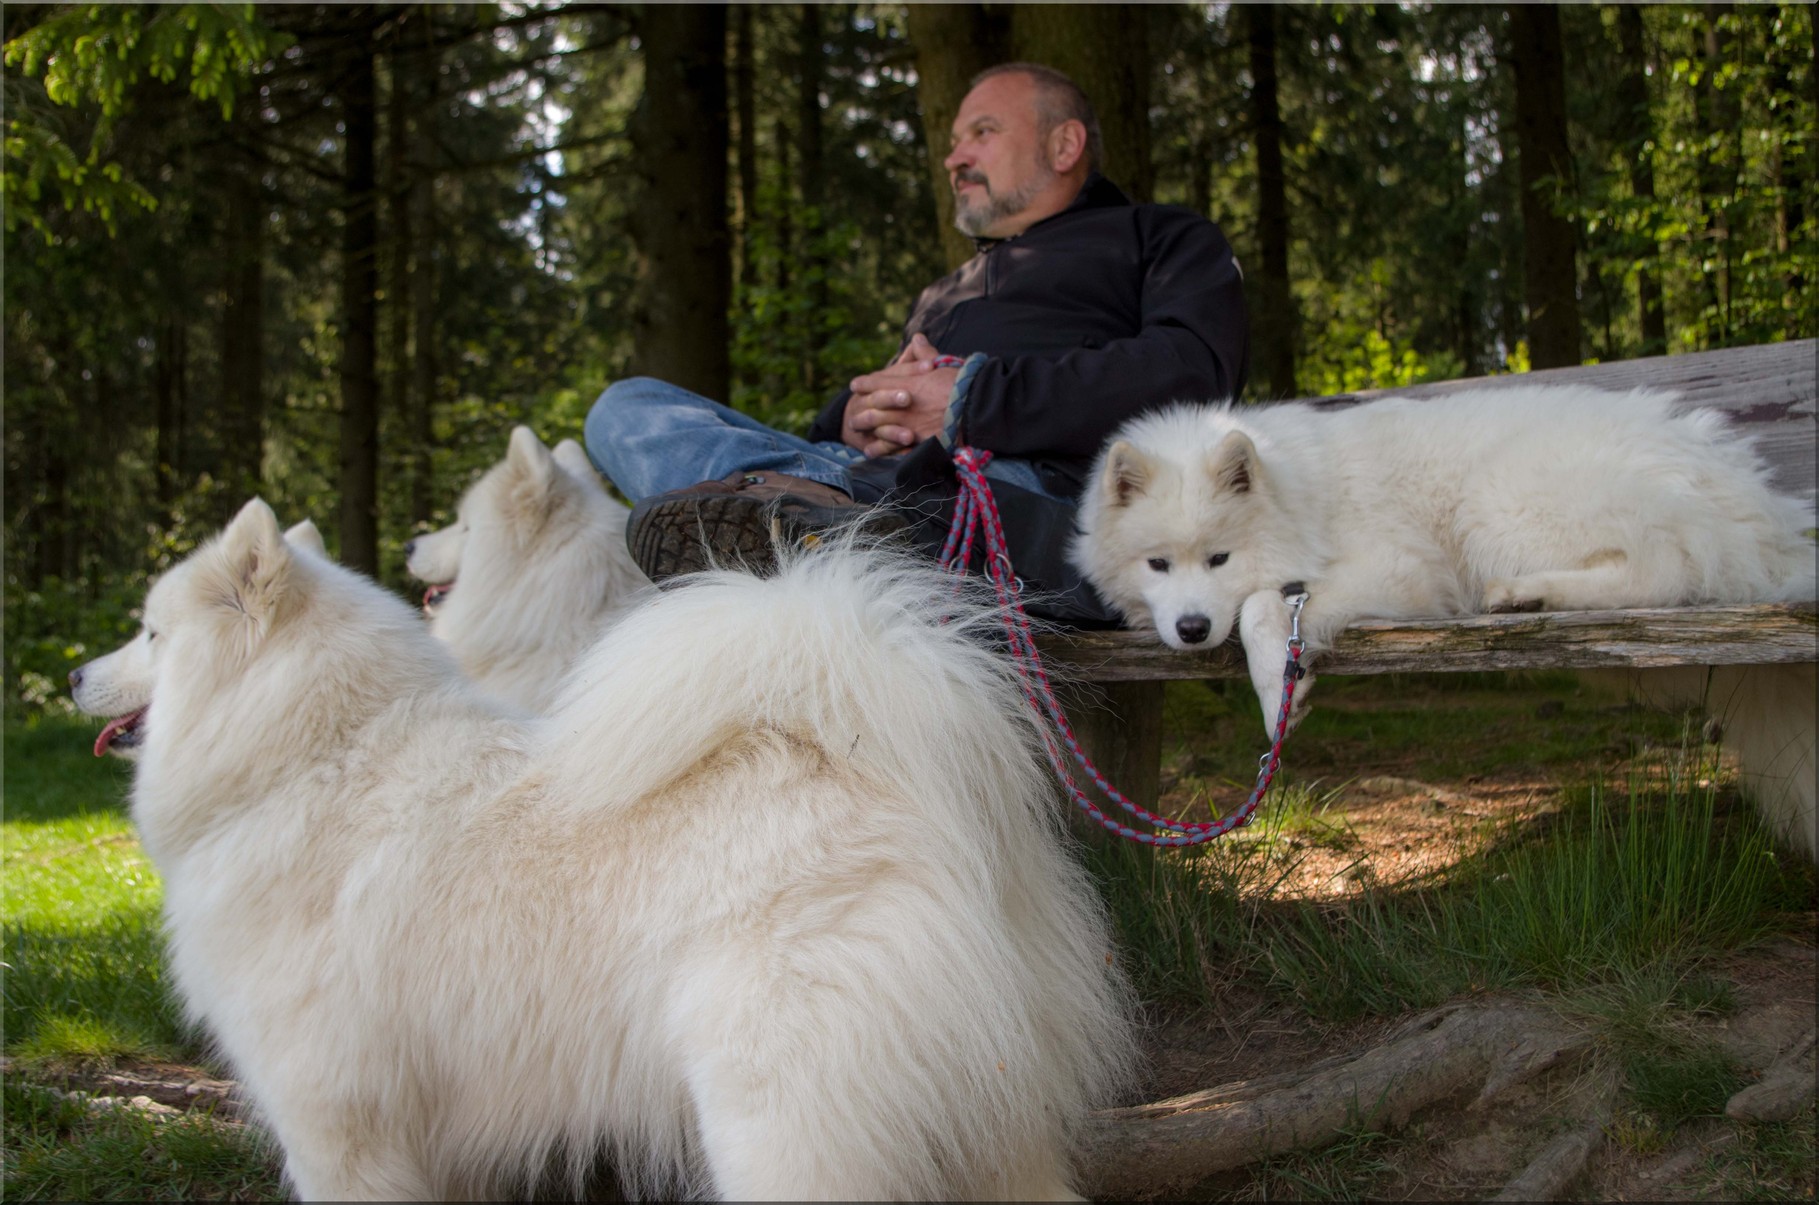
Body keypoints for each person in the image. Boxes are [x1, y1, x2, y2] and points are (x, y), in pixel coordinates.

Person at [586, 62, 1249, 619]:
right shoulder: (944, 291)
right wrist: (852, 418)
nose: (953, 157)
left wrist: (971, 398)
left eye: (981, 134)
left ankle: (808, 522)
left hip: (1027, 491)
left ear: (1063, 145)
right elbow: (894, 409)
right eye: (956, 141)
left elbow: (1193, 371)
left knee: (911, 495)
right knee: (624, 410)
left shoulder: (1158, 238)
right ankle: (824, 517)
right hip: (874, 477)